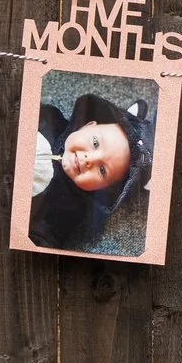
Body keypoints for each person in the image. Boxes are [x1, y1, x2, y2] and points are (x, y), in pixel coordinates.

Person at [28, 87, 154, 252]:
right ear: (87, 126)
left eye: (102, 170)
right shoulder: (51, 118)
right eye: (95, 143)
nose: (90, 160)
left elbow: (45, 237)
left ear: (103, 188)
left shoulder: (69, 207)